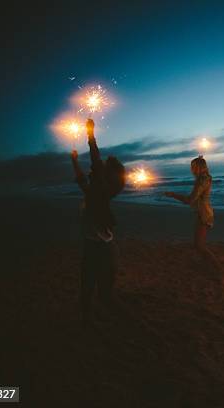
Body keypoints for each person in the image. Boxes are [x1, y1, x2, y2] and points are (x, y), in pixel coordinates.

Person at [70, 119, 126, 325]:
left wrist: (91, 134)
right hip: (95, 246)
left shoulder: (102, 191)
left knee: (102, 294)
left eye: (100, 169)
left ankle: (124, 324)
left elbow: (95, 160)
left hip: (102, 248)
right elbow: (82, 180)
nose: (95, 169)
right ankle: (89, 321)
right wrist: (75, 161)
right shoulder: (95, 192)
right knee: (89, 290)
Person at [164, 156, 220, 271]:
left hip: (204, 214)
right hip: (204, 212)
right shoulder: (205, 178)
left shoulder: (202, 180)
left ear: (199, 167)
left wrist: (173, 195)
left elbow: (189, 200)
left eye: (193, 166)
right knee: (199, 244)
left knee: (199, 245)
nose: (191, 169)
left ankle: (216, 267)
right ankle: (208, 265)